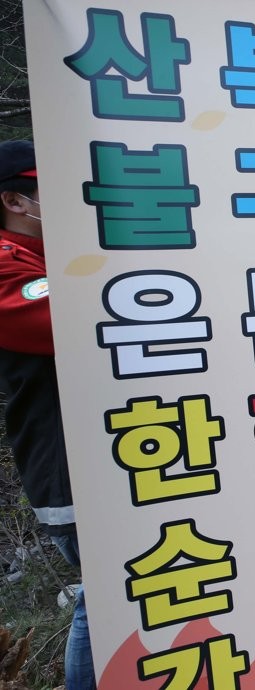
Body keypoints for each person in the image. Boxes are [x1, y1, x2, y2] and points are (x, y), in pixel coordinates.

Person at [0, 140, 95, 689]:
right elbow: (80, 319)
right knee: (108, 599)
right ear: (15, 199)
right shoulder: (9, 267)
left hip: (118, 456)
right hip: (70, 473)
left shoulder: (51, 259)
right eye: (48, 189)